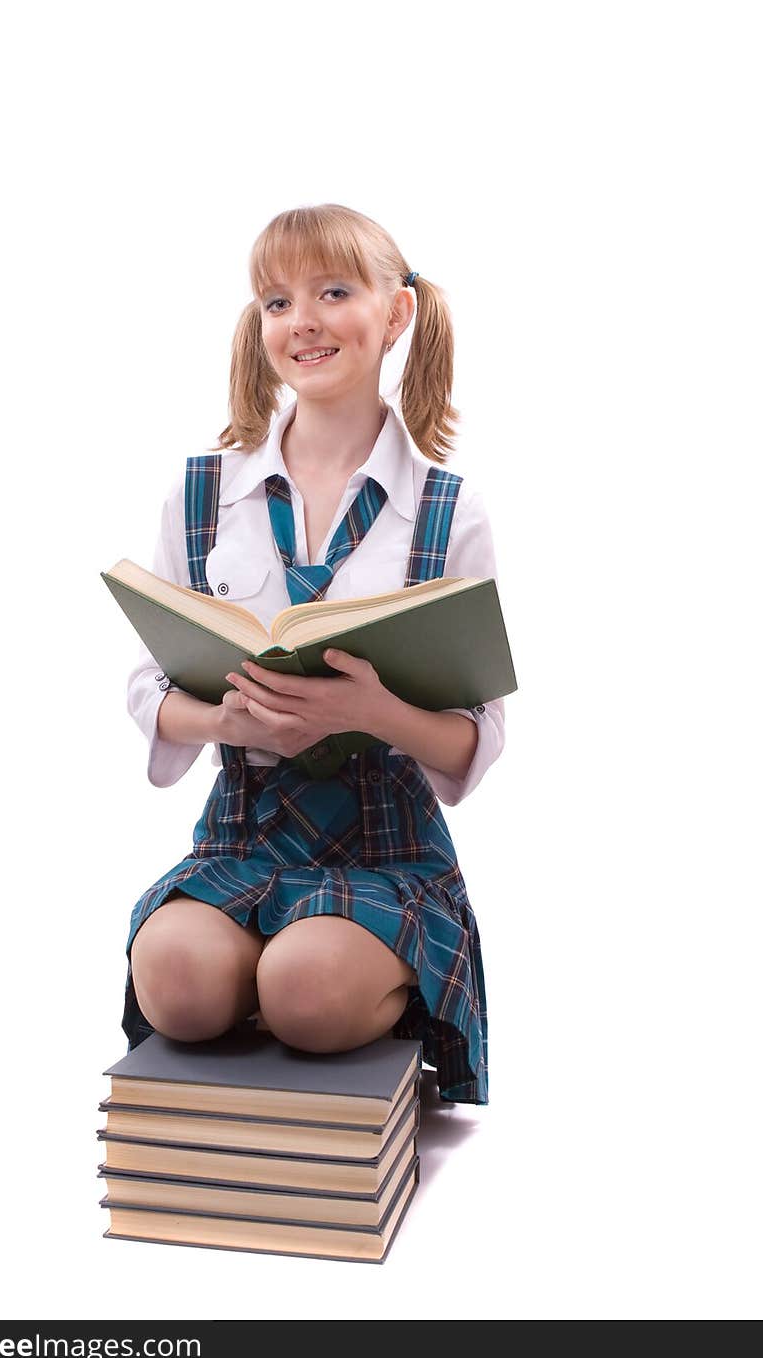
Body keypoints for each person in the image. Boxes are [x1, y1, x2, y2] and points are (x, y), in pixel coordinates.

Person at [122, 203, 506, 1104]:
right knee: (173, 981)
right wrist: (221, 716)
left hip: (385, 837)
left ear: (397, 313)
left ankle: (352, 978)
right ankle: (256, 966)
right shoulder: (202, 490)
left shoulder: (449, 511)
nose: (302, 320)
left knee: (306, 994)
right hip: (243, 824)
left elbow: (475, 736)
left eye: (334, 291)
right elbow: (147, 684)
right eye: (276, 301)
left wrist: (373, 713)